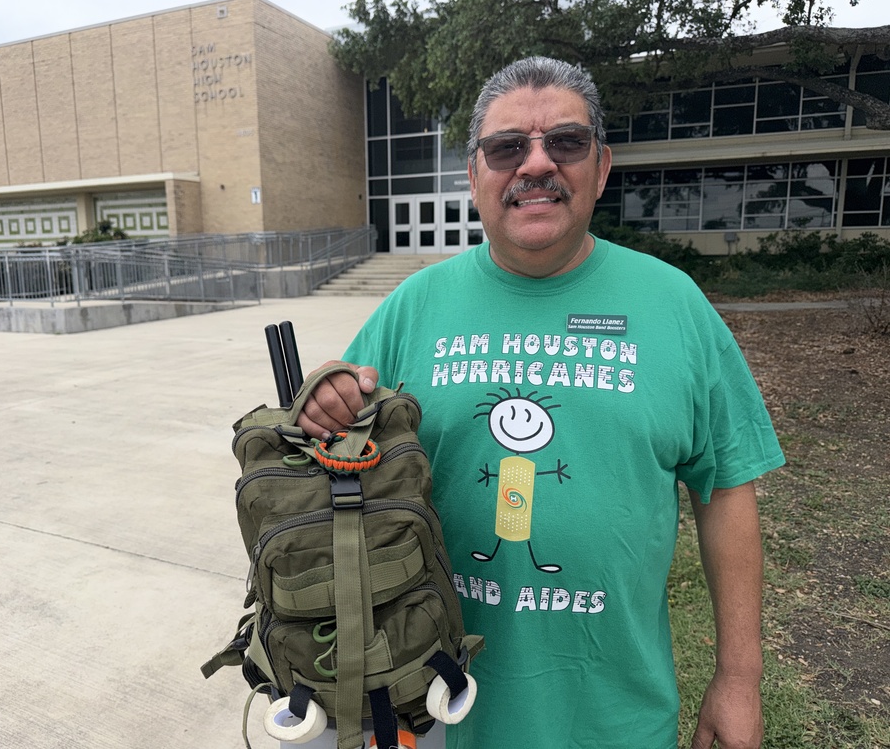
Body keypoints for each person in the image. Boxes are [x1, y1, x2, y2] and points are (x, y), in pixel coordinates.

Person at [295, 56, 785, 749]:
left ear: (601, 167)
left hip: (610, 713)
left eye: (565, 142)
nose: (535, 164)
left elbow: (727, 488)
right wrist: (326, 398)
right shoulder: (414, 307)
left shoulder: (674, 305)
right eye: (506, 148)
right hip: (427, 708)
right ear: (474, 176)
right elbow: (335, 437)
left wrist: (739, 679)